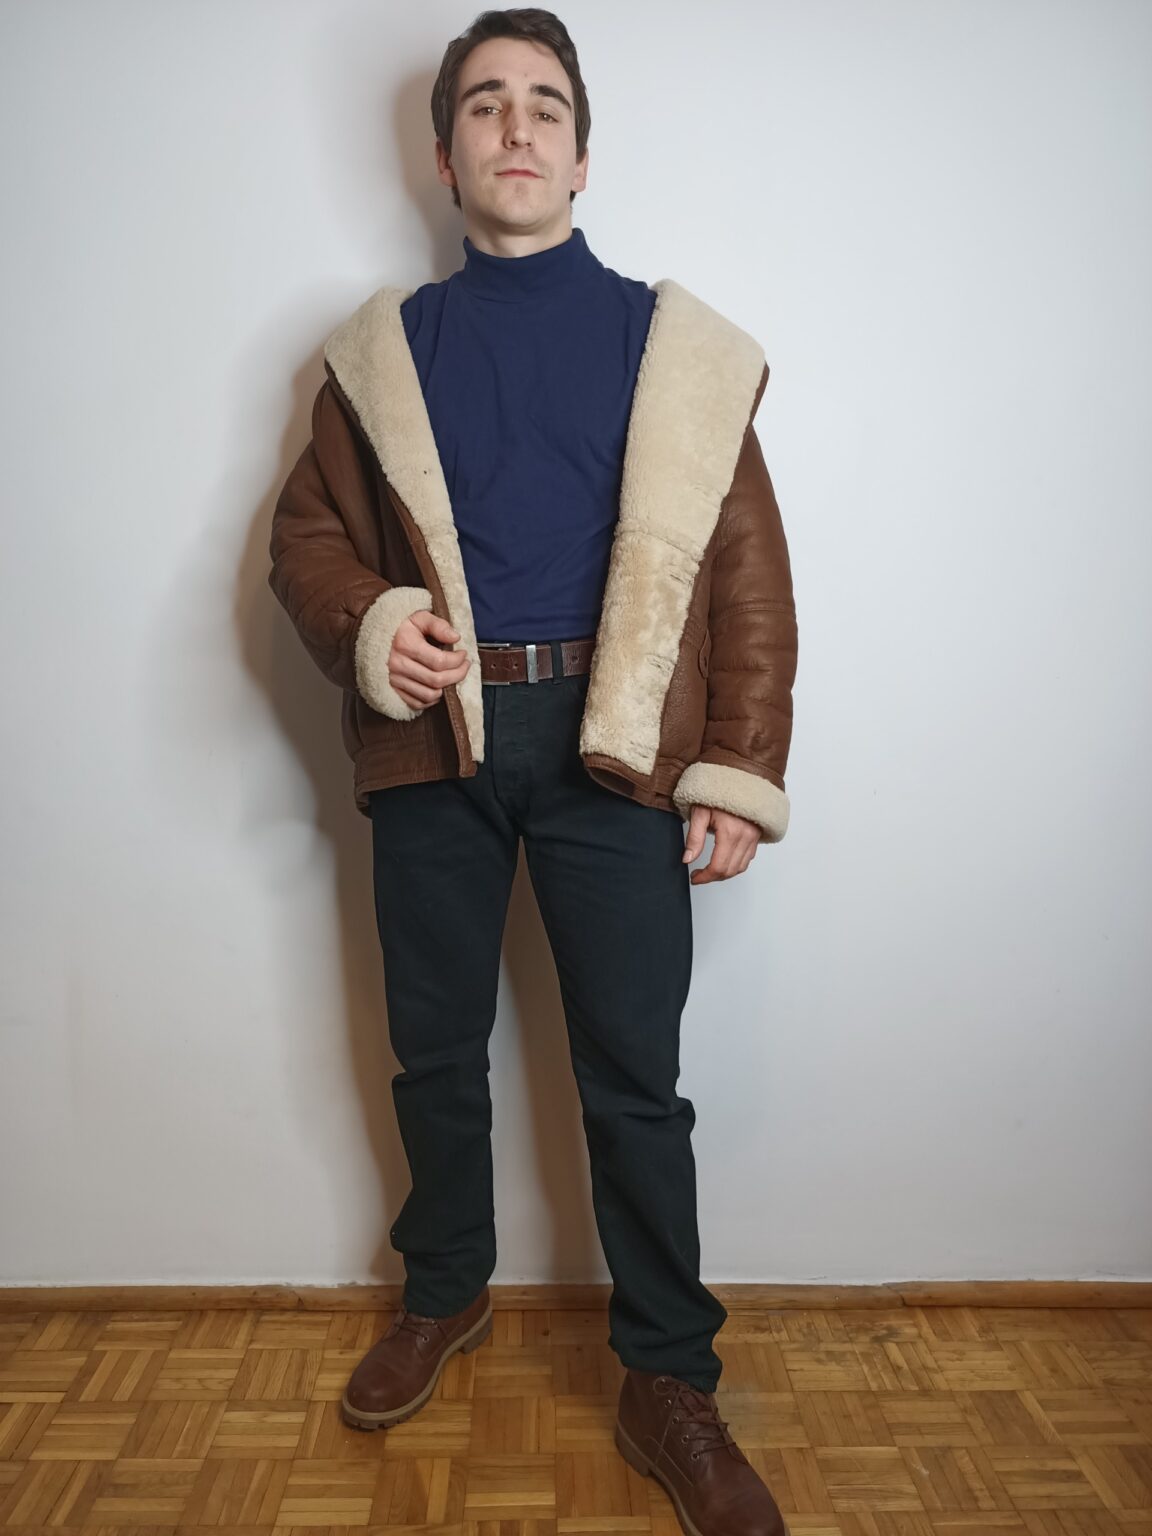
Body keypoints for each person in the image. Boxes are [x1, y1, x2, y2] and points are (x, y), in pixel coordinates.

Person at [267, 10, 797, 1534]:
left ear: (580, 153)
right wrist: (374, 624)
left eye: (544, 106)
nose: (516, 127)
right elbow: (303, 542)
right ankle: (444, 1291)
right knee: (433, 1051)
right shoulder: (380, 354)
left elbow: (747, 569)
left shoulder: (674, 349)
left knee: (635, 1081)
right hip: (436, 741)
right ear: (445, 156)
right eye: (485, 105)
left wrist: (734, 763)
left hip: (616, 751)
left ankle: (668, 1376)